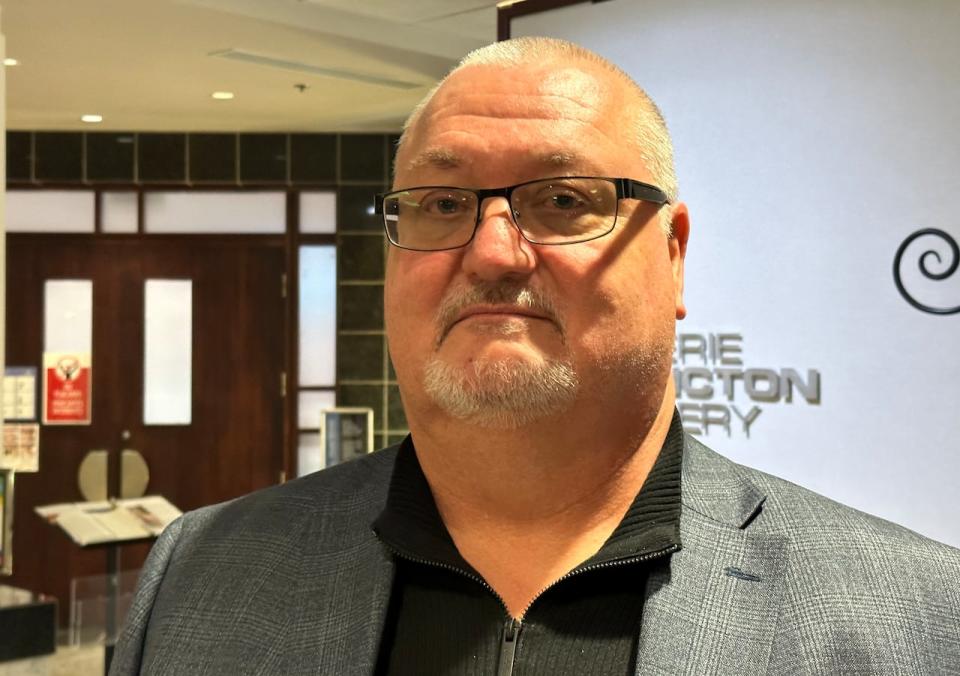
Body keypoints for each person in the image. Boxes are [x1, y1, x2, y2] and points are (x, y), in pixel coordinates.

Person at [111, 37, 960, 675]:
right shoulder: (200, 579)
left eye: (561, 199)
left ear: (673, 256)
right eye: (442, 202)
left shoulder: (915, 621)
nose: (492, 252)